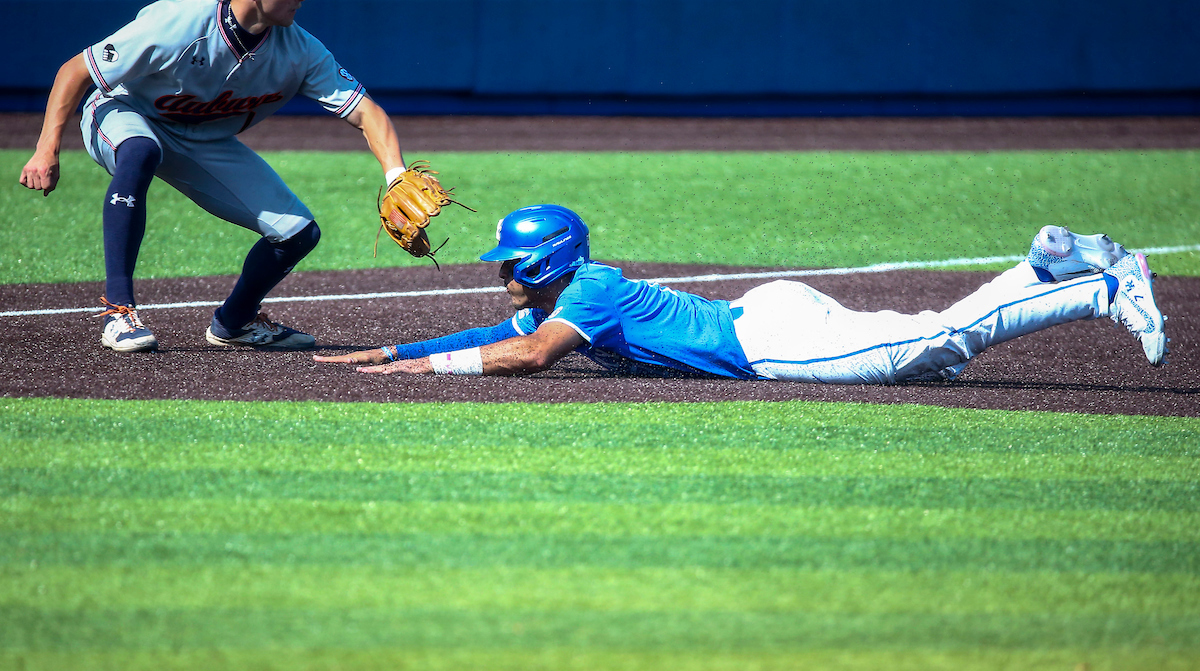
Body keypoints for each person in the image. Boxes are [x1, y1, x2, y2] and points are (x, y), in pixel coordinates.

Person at [313, 204, 1169, 383]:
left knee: (932, 343)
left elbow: (527, 355)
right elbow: (492, 328)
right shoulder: (581, 291)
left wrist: (425, 376)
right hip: (772, 310)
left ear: (547, 262)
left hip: (771, 342)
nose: (501, 271)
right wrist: (389, 350)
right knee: (928, 334)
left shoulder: (585, 300)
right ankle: (1044, 265)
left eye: (511, 261)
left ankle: (1097, 288)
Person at [19, 0, 411, 352]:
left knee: (297, 233)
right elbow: (75, 71)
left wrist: (395, 175)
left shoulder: (300, 49)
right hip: (124, 112)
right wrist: (46, 148)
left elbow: (367, 112)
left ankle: (234, 322)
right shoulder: (179, 20)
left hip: (203, 140)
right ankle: (118, 311)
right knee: (141, 151)